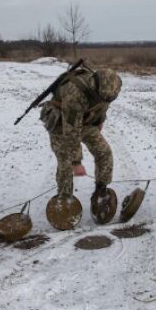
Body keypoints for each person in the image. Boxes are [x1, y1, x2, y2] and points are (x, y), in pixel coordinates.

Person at [40, 66, 122, 223]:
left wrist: (99, 121)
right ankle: (64, 201)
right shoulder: (74, 94)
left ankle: (101, 191)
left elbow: (103, 106)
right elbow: (71, 132)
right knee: (65, 163)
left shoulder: (107, 90)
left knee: (104, 152)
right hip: (61, 124)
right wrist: (76, 162)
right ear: (94, 86)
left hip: (86, 122)